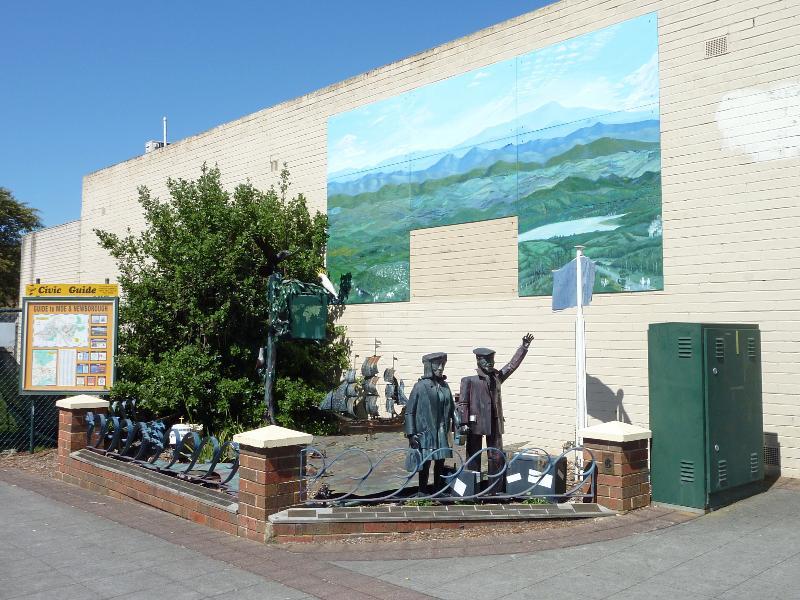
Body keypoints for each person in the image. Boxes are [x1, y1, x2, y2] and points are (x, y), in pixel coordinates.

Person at [458, 334, 534, 487]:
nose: (491, 363)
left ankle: (495, 486)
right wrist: (464, 422)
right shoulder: (469, 380)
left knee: (496, 456)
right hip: (475, 424)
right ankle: (473, 488)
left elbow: (512, 365)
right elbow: (463, 403)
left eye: (492, 360)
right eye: (487, 360)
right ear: (479, 360)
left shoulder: (497, 377)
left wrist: (523, 347)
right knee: (473, 456)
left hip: (494, 422)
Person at [404, 352, 460, 494]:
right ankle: (422, 490)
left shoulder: (445, 386)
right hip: (426, 432)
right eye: (437, 364)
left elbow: (452, 408)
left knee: (440, 461)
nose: (441, 368)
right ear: (429, 366)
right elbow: (409, 411)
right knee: (426, 462)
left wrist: (459, 422)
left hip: (442, 431)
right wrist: (411, 434)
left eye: (443, 364)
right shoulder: (420, 386)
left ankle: (437, 490)